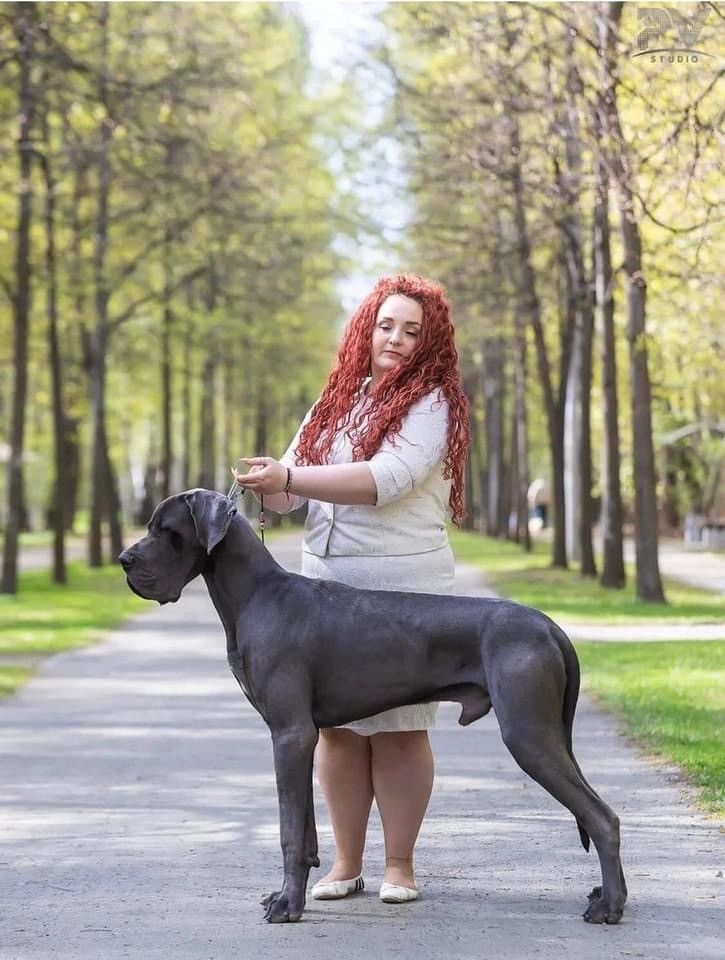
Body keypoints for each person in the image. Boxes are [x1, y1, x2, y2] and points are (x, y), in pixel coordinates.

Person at [235, 273, 470, 903]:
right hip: (326, 587)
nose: (395, 338)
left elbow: (384, 479)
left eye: (411, 331)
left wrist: (292, 477)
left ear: (429, 343)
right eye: (386, 325)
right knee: (336, 730)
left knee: (399, 726)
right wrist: (271, 484)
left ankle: (399, 866)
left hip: (403, 594)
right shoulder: (336, 399)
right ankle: (345, 864)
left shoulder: (433, 404)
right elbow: (290, 491)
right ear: (366, 329)